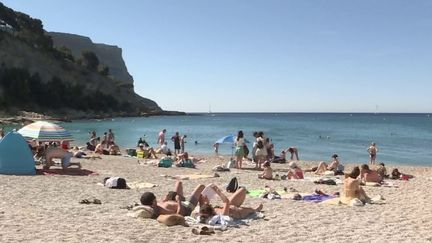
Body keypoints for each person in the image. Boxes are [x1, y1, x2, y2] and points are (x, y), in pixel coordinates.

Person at [197, 185, 263, 224]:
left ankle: (254, 209)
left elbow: (205, 209)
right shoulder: (222, 215)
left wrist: (206, 201)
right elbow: (226, 202)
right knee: (251, 210)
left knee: (243, 189)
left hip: (229, 206)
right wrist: (218, 191)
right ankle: (255, 210)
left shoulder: (207, 212)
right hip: (238, 212)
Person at [140, 182, 205, 218]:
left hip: (175, 201)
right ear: (153, 202)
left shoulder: (155, 205)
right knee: (201, 186)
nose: (156, 199)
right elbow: (179, 214)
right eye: (155, 199)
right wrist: (178, 201)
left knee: (178, 183)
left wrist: (165, 199)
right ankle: (203, 203)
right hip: (186, 207)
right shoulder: (162, 210)